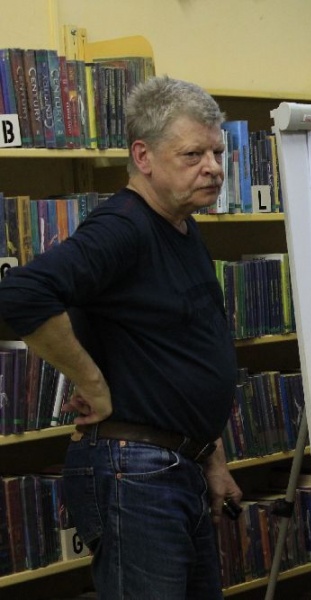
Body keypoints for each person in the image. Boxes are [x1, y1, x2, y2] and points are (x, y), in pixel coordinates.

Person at [0, 76, 242, 598]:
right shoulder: (123, 228)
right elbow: (21, 294)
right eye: (193, 154)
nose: (214, 168)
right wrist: (93, 381)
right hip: (135, 475)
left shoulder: (182, 222)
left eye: (218, 152)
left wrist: (213, 456)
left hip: (179, 466)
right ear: (144, 156)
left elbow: (182, 348)